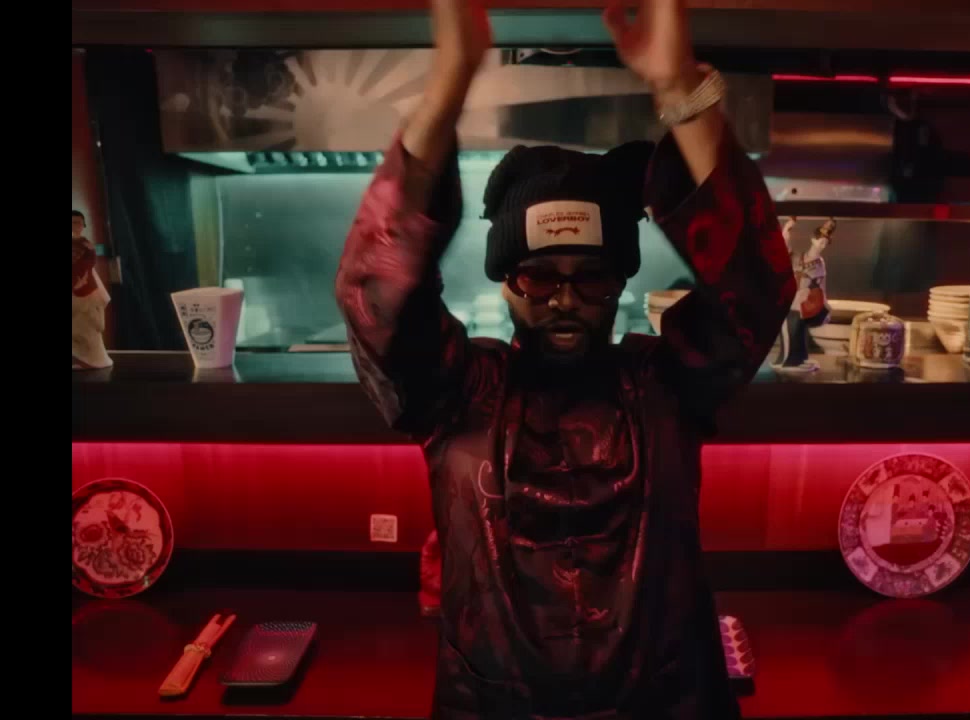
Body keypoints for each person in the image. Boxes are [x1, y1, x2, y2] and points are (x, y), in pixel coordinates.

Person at [336, 1, 795, 716]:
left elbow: (754, 287)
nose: (565, 299)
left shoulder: (666, 384)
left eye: (592, 277)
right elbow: (376, 293)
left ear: (620, 281)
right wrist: (449, 82)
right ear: (505, 280)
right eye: (539, 276)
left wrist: (678, 86)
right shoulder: (458, 392)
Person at [73, 210, 112, 369]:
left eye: (78, 222)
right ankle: (81, 359)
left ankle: (92, 360)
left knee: (86, 326)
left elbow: (88, 263)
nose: (75, 226)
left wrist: (79, 280)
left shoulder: (86, 245)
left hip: (84, 288)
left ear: (83, 225)